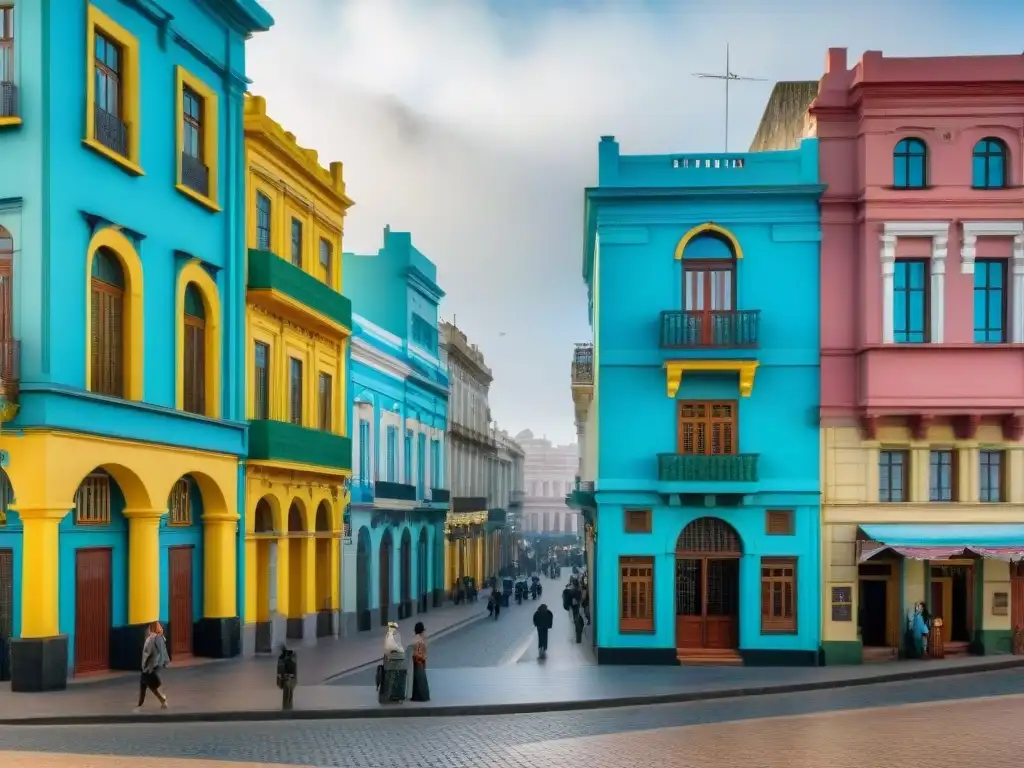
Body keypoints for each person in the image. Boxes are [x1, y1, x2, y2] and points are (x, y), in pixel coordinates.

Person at [135, 622, 169, 711]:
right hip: (153, 665)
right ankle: (140, 703)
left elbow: (148, 653)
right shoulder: (160, 639)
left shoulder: (151, 639)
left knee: (150, 686)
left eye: (149, 628)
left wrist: (144, 665)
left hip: (148, 667)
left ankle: (162, 699)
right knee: (146, 685)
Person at [410, 622, 430, 702]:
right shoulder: (420, 640)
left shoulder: (416, 639)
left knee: (417, 680)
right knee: (421, 680)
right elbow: (419, 653)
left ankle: (417, 696)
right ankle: (422, 696)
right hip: (419, 661)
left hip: (417, 661)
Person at [276, 645, 298, 710]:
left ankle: (287, 706)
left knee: (288, 692)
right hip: (288, 679)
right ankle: (288, 706)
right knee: (288, 692)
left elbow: (280, 670)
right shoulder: (284, 659)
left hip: (289, 679)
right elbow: (280, 670)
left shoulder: (285, 659)